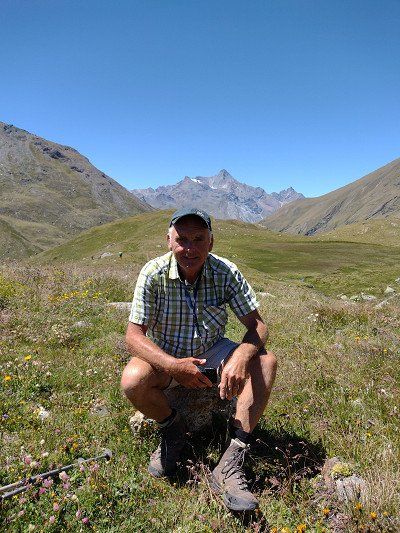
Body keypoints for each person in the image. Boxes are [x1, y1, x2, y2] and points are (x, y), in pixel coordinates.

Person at [121, 207, 277, 511]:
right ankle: (173, 429)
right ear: (169, 241)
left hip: (214, 349)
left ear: (211, 242)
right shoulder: (153, 273)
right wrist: (172, 365)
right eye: (182, 239)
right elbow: (133, 336)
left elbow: (258, 325)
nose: (190, 249)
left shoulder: (225, 271)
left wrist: (241, 356)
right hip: (167, 352)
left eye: (199, 239)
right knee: (133, 380)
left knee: (265, 362)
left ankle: (231, 459)